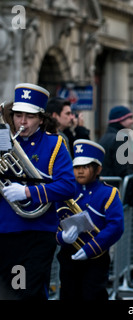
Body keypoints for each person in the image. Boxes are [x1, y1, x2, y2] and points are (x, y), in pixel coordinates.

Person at [0, 83, 76, 300]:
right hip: (5, 230)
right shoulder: (2, 144)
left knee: (28, 291)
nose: (22, 122)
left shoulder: (55, 145)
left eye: (30, 116)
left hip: (37, 231)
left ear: (41, 119)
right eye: (18, 115)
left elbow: (68, 186)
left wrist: (27, 192)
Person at [56, 139, 124, 300]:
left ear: (98, 169)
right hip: (68, 254)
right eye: (77, 167)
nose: (80, 171)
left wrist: (90, 249)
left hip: (96, 257)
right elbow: (53, 220)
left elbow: (116, 226)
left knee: (93, 295)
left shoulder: (109, 193)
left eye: (85, 167)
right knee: (68, 294)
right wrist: (61, 237)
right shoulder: (65, 191)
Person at [98, 105, 133, 189]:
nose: (132, 121)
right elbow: (122, 169)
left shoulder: (105, 137)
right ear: (120, 120)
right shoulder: (120, 139)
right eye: (129, 118)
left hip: (106, 186)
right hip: (115, 188)